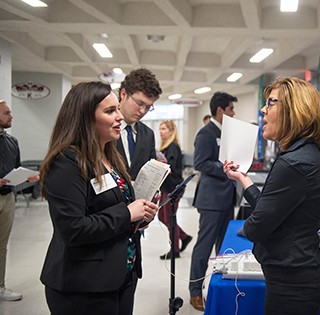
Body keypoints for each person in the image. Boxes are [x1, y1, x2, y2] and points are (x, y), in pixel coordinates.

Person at [39, 82, 158, 315]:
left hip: (121, 274)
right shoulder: (66, 162)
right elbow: (73, 228)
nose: (119, 117)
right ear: (85, 117)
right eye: (110, 111)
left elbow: (114, 207)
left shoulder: (109, 157)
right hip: (84, 286)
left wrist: (140, 215)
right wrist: (127, 213)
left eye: (117, 109)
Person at [223, 77, 320, 315]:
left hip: (292, 283)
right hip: (300, 275)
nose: (263, 109)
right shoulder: (306, 154)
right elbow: (274, 209)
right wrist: (244, 179)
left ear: (294, 111)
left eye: (270, 103)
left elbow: (256, 228)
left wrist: (253, 222)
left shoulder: (293, 163)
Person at [189, 92, 238, 311]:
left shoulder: (228, 133)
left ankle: (221, 290)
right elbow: (201, 163)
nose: (233, 112)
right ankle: (195, 292)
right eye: (230, 109)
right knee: (204, 247)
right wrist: (225, 170)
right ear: (220, 110)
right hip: (211, 200)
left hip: (227, 199)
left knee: (224, 249)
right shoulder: (206, 133)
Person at [0, 100, 39, 301]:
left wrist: (27, 177)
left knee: (2, 245)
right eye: (7, 113)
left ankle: (0, 287)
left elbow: (15, 168)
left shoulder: (11, 141)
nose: (11, 116)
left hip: (7, 198)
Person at [116, 68, 162, 181]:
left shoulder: (148, 134)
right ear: (123, 94)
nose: (143, 111)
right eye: (139, 103)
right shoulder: (103, 128)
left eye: (148, 107)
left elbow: (150, 172)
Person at [157, 120, 192, 260]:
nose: (161, 131)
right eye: (160, 129)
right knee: (162, 216)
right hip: (166, 187)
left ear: (171, 131)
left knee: (168, 218)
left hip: (173, 188)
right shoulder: (165, 147)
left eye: (164, 129)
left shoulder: (172, 146)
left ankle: (175, 250)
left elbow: (169, 167)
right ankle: (184, 237)